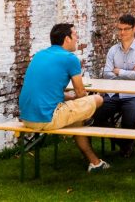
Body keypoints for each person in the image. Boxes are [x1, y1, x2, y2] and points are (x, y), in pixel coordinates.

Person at [18, 22, 109, 172]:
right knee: (98, 99)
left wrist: (71, 99)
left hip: (27, 117)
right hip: (47, 118)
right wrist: (86, 101)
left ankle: (95, 162)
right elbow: (81, 93)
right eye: (75, 35)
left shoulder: (40, 55)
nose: (77, 38)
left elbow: (48, 90)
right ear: (67, 39)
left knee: (77, 117)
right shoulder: (70, 58)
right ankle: (92, 151)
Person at [92, 14, 135, 158]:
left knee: (129, 120)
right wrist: (130, 72)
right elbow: (106, 73)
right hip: (114, 94)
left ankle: (126, 147)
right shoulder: (113, 50)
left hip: (134, 95)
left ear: (134, 29)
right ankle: (126, 144)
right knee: (96, 117)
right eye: (120, 29)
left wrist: (119, 71)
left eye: (126, 29)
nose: (122, 33)